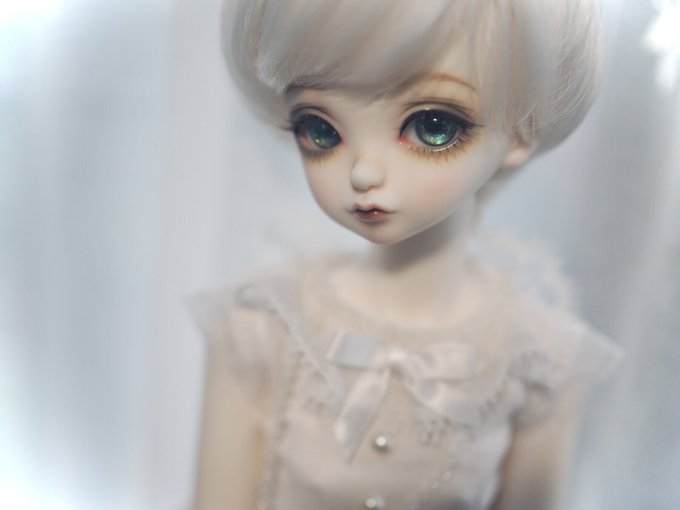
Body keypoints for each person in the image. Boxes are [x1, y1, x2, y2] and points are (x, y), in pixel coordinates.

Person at [190, 1, 622, 509]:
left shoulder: (541, 361)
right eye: (321, 130)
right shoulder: (260, 324)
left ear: (522, 130)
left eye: (433, 126)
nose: (363, 172)